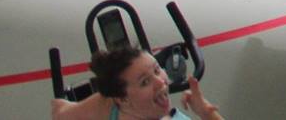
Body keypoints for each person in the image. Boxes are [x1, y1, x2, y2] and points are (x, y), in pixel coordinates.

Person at [50, 50, 225, 120]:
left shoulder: (109, 103)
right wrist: (207, 112)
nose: (160, 81)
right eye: (145, 82)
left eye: (157, 70)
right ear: (124, 99)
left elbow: (59, 110)